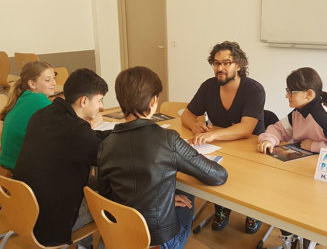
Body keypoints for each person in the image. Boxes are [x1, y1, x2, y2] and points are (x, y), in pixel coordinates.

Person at [97, 66, 228, 249]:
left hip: (121, 236)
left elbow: (107, 197)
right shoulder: (167, 139)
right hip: (160, 241)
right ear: (153, 102)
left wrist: (164, 199)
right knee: (186, 193)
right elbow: (218, 175)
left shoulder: (106, 144)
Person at [257, 67, 327, 248]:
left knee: (295, 201)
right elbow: (278, 128)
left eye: (291, 92)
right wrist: (269, 139)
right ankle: (290, 238)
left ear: (308, 94)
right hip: (304, 174)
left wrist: (315, 146)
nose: (287, 96)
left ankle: (305, 239)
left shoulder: (323, 118)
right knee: (282, 195)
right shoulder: (298, 112)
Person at [13, 68, 109, 247]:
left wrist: (118, 131)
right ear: (84, 101)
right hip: (50, 225)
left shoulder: (42, 115)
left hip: (24, 211)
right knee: (116, 203)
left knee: (94, 183)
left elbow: (91, 140)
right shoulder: (76, 131)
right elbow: (108, 154)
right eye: (100, 100)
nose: (101, 107)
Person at [181, 41, 265, 233]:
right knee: (214, 171)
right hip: (220, 145)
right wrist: (195, 126)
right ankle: (222, 207)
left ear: (239, 65)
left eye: (226, 63)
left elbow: (245, 129)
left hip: (250, 148)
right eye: (216, 63)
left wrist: (213, 135)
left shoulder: (254, 89)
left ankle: (252, 210)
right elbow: (186, 114)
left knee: (246, 178)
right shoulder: (208, 86)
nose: (220, 68)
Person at [0, 61, 55, 174]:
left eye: (53, 78)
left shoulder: (23, 98)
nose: (54, 83)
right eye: (48, 80)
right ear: (32, 84)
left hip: (9, 171)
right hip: (23, 173)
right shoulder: (39, 100)